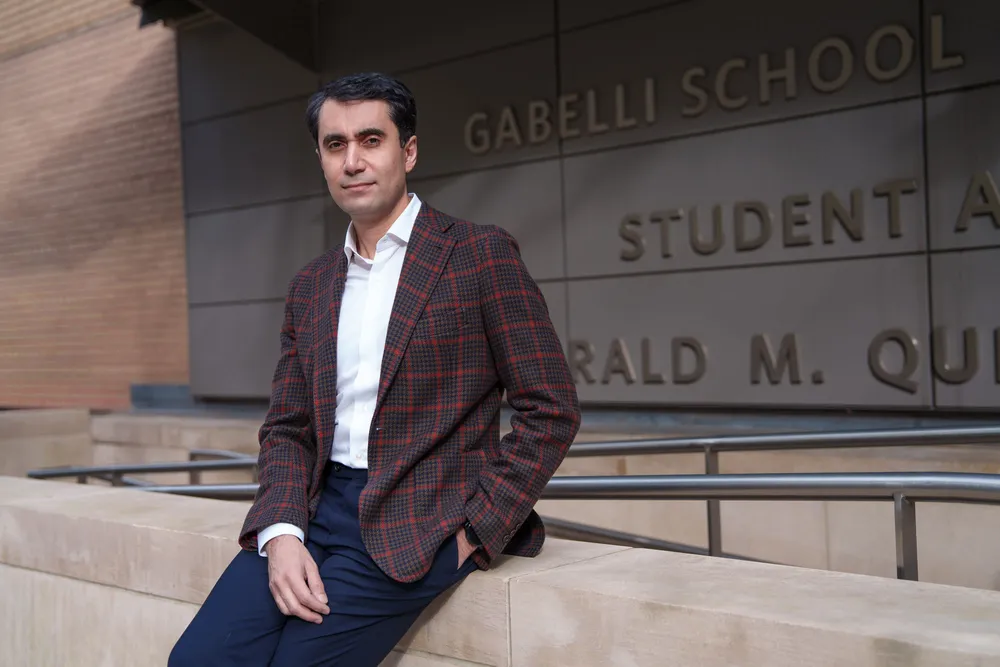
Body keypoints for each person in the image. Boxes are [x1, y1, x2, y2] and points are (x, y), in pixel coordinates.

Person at [168, 72, 581, 666]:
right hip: (315, 508)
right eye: (336, 145)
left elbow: (551, 409)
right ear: (321, 159)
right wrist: (281, 531)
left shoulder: (479, 256)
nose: (353, 160)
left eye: (371, 140)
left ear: (407, 151)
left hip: (421, 518)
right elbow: (288, 427)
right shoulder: (311, 286)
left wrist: (471, 536)